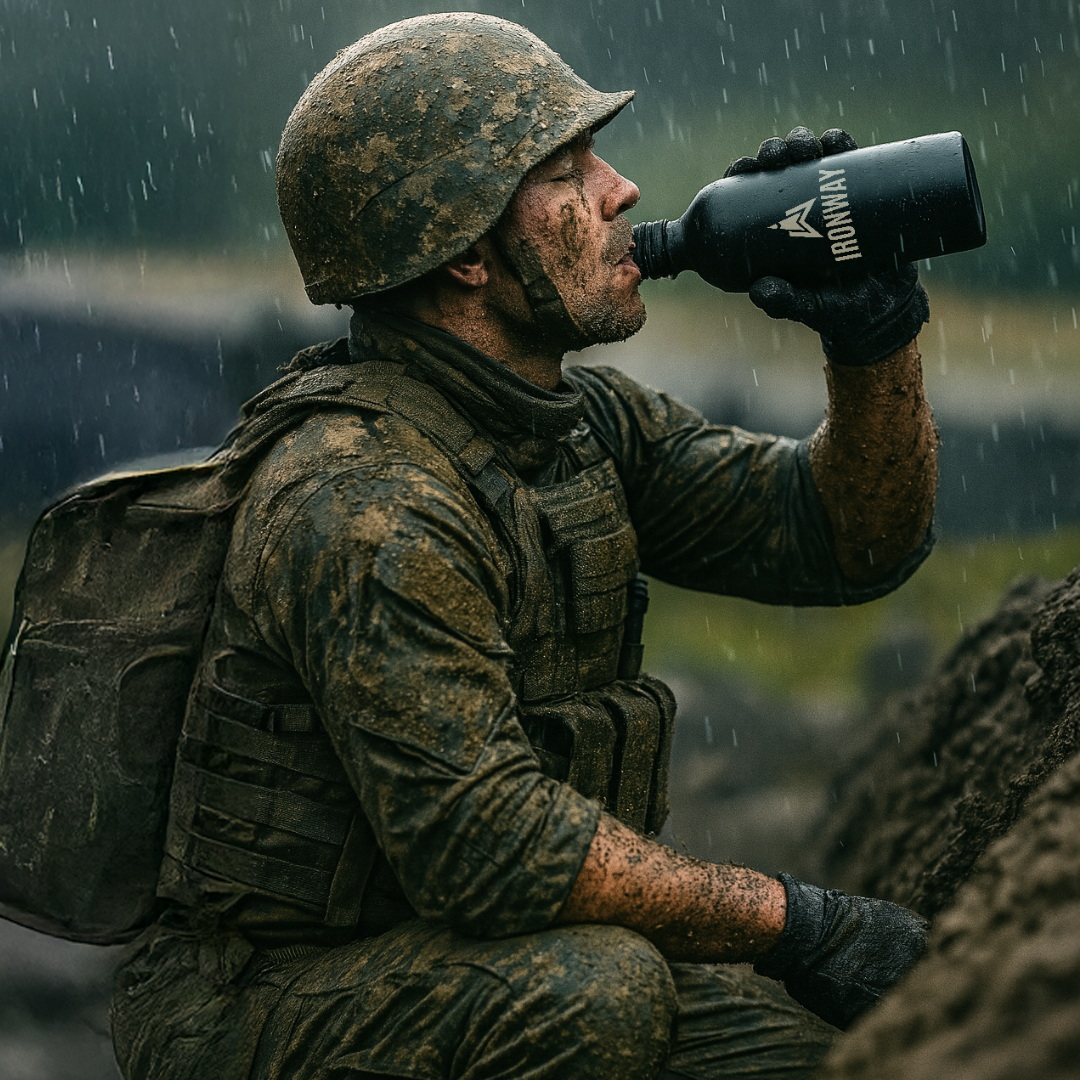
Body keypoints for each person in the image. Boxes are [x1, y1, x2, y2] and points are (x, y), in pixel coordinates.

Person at [110, 13, 938, 1080]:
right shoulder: (363, 499)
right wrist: (793, 923)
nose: (622, 190)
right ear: (463, 252)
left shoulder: (578, 422)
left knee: (850, 1059)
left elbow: (843, 541)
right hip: (273, 998)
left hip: (494, 964)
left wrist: (870, 338)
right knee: (603, 996)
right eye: (568, 170)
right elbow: (489, 845)